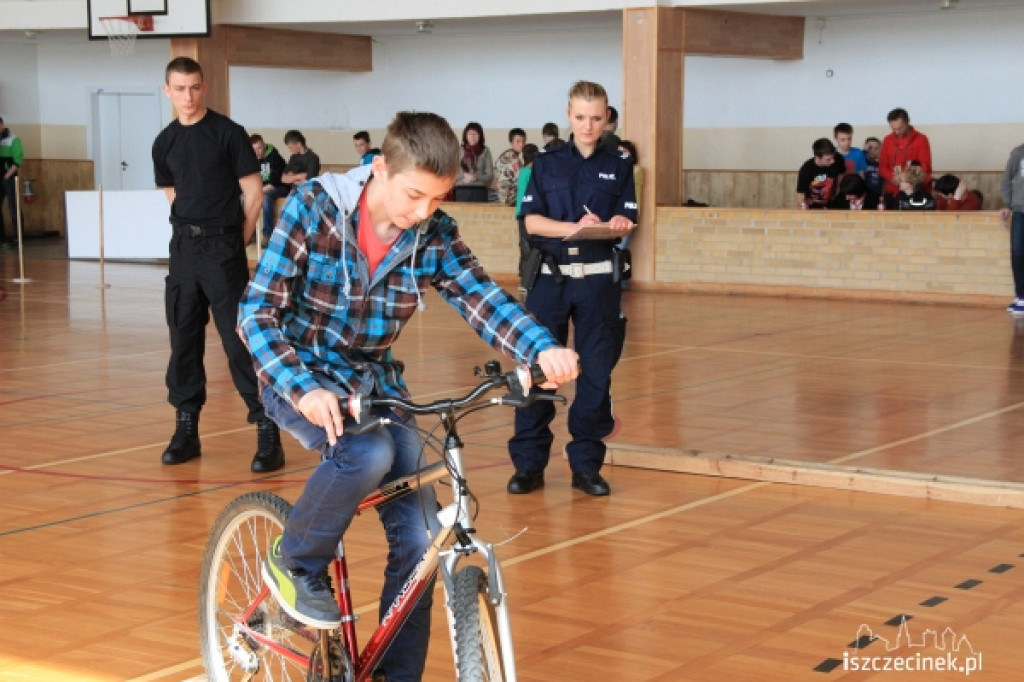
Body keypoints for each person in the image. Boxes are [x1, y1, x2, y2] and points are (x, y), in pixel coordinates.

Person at [237, 111, 579, 680]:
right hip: (297, 374)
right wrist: (304, 390)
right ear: (380, 168)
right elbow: (256, 312)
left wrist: (541, 350)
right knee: (366, 453)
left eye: (438, 198)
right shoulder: (314, 209)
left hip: (374, 387)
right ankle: (293, 561)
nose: (423, 212)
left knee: (422, 539)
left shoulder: (434, 233)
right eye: (414, 195)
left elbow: (482, 298)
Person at [151, 57, 285, 473]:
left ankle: (267, 429)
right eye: (179, 88)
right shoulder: (164, 142)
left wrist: (232, 241)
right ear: (167, 91)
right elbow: (172, 192)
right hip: (183, 251)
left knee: (238, 341)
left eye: (194, 87)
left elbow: (254, 194)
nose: (187, 96)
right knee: (183, 340)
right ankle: (186, 429)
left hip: (223, 249)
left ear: (204, 88)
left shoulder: (228, 133)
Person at [507, 80, 636, 497]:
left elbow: (626, 218)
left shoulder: (620, 163)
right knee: (540, 371)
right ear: (568, 115)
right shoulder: (545, 163)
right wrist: (574, 227)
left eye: (596, 118)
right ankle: (529, 465)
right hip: (551, 281)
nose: (588, 125)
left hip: (598, 283)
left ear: (607, 117)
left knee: (596, 375)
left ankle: (586, 467)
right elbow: (532, 222)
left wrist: (617, 224)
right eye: (580, 117)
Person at [262, 130, 322, 240]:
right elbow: (283, 178)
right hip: (293, 191)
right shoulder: (293, 158)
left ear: (298, 144)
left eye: (290, 147)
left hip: (307, 192)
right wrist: (299, 176)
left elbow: (309, 180)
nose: (290, 150)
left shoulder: (313, 158)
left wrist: (292, 176)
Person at [879, 108, 932, 198]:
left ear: (908, 122)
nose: (897, 132)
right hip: (892, 189)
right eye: (893, 129)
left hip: (915, 189)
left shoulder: (921, 139)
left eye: (900, 128)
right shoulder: (887, 140)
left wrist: (905, 177)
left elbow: (925, 167)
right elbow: (882, 167)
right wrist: (892, 177)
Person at [1000, 142, 1024, 315]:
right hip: (1020, 211)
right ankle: (1021, 295)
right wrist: (1007, 204)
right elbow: (1006, 180)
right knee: (1017, 252)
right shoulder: (1018, 153)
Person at [251, 133, 287, 240]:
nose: (258, 152)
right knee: (243, 198)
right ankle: (250, 233)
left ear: (264, 144)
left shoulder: (274, 156)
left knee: (266, 198)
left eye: (259, 148)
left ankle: (267, 234)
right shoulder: (250, 159)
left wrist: (258, 192)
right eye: (254, 149)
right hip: (261, 188)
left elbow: (275, 181)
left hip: (279, 186)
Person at [795, 138, 846, 209]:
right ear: (818, 158)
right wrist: (803, 209)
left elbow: (841, 175)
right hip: (812, 206)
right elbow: (800, 194)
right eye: (828, 159)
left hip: (832, 203)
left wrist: (838, 191)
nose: (833, 161)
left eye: (833, 157)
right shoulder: (806, 170)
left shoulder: (839, 159)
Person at [515, 142, 539, 287]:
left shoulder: (523, 172)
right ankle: (525, 279)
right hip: (527, 213)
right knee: (527, 246)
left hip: (521, 213)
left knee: (525, 244)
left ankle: (524, 278)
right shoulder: (530, 173)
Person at [0, 115, 24, 248]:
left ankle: (18, 237)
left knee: (13, 207)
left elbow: (18, 160)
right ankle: (1, 238)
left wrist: (7, 175)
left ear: (2, 124)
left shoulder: (13, 139)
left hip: (9, 178)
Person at [454, 122, 493, 202]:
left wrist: (476, 176)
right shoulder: (459, 150)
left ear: (480, 135)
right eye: (469, 134)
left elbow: (490, 176)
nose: (472, 136)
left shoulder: (485, 151)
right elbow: (452, 174)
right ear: (465, 135)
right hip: (462, 190)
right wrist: (464, 176)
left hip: (479, 191)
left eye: (475, 134)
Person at [493, 127, 526, 206]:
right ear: (511, 143)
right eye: (518, 141)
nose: (521, 144)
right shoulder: (511, 158)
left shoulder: (513, 155)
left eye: (523, 141)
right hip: (510, 198)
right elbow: (521, 179)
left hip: (508, 197)